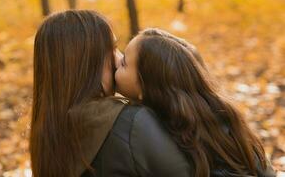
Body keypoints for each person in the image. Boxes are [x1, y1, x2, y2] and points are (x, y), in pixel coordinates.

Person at [30, 10, 192, 177]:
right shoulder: (131, 124)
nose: (119, 59)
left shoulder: (46, 139)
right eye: (112, 49)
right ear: (88, 61)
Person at [114, 28, 276, 177]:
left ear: (147, 86)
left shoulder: (163, 133)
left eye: (124, 63)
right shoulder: (214, 112)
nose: (116, 61)